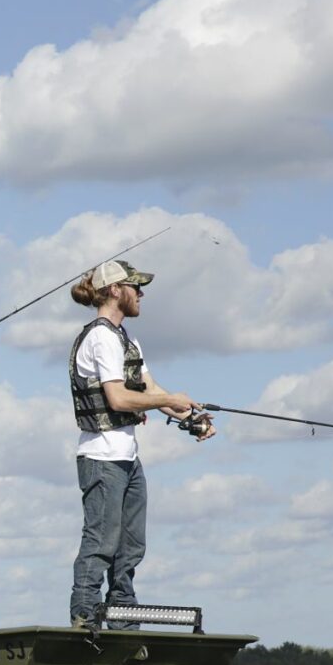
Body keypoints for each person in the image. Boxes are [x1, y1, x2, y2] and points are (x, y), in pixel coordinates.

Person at [66, 259, 214, 628]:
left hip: (128, 459)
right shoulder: (100, 337)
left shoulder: (127, 338)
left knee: (131, 548)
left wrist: (190, 417)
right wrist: (172, 401)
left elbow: (149, 390)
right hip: (101, 457)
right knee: (101, 543)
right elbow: (118, 399)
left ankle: (124, 622)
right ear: (116, 290)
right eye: (135, 286)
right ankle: (85, 618)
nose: (141, 293)